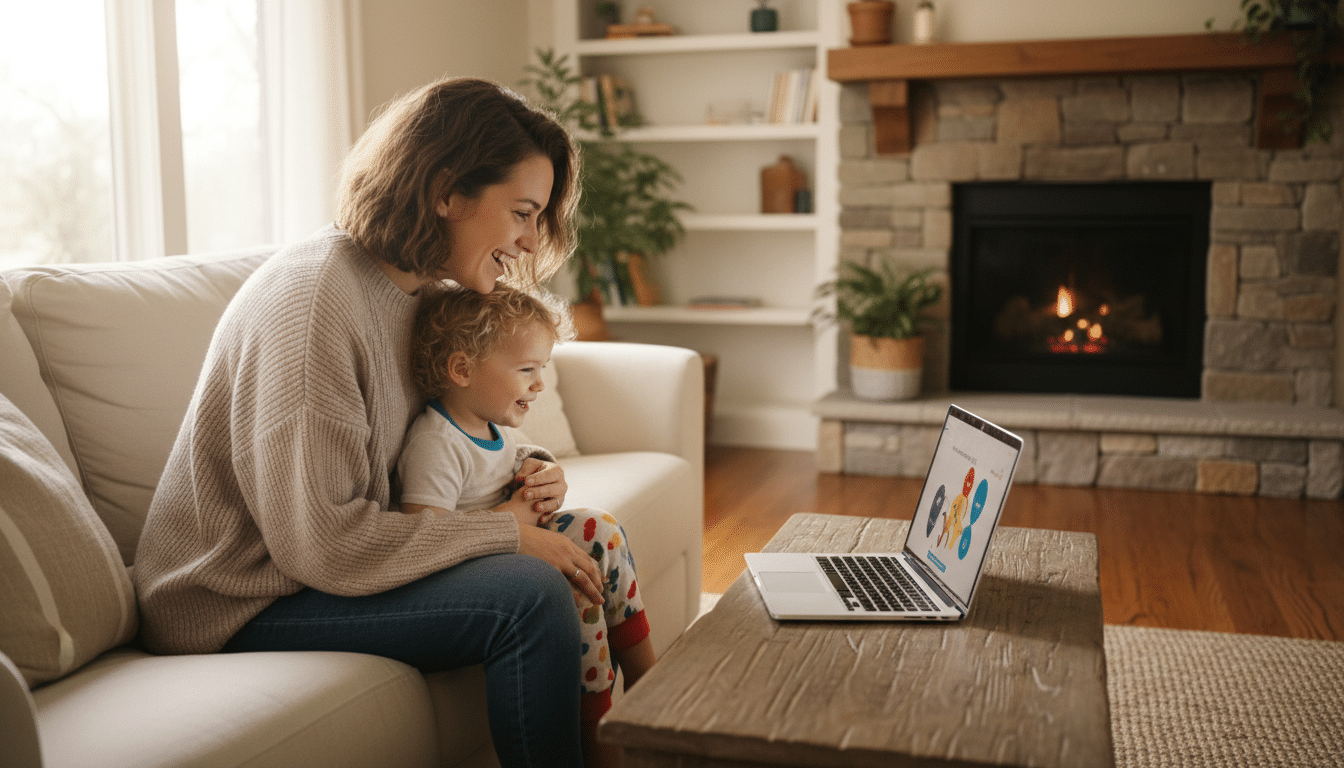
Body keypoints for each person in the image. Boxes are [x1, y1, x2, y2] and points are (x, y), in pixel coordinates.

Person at [133, 77, 599, 768]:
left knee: (582, 539)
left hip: (313, 570)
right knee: (527, 595)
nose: (531, 242)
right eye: (522, 213)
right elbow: (323, 543)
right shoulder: (314, 307)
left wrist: (525, 475)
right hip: (239, 598)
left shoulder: (422, 292)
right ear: (445, 192)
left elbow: (442, 442)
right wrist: (506, 534)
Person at [397, 284, 656, 767]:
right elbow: (423, 537)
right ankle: (602, 740)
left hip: (511, 550)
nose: (539, 384)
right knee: (575, 586)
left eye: (542, 369)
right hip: (472, 573)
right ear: (462, 370)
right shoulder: (436, 443)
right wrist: (512, 517)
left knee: (600, 529)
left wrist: (540, 471)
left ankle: (651, 682)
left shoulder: (492, 425)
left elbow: (517, 462)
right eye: (526, 370)